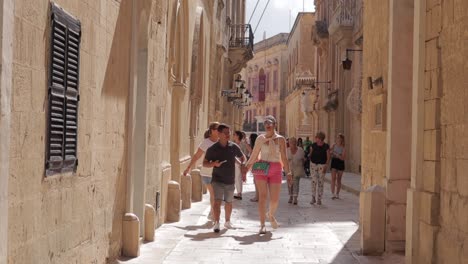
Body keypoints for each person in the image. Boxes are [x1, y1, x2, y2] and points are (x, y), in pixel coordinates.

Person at [243, 116, 291, 234]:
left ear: (275, 124)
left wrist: (288, 172)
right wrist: (246, 170)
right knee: (263, 197)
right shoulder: (260, 138)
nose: (267, 125)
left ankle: (270, 214)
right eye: (265, 123)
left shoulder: (281, 139)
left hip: (275, 168)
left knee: (274, 199)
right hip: (262, 168)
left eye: (269, 123)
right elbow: (254, 155)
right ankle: (262, 224)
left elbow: (284, 157)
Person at [204, 124, 246, 233]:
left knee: (229, 202)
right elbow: (205, 163)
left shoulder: (233, 147)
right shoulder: (212, 149)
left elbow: (242, 157)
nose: (228, 135)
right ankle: (217, 223)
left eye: (229, 132)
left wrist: (243, 164)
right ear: (219, 134)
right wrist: (214, 164)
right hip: (217, 180)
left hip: (230, 180)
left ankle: (227, 222)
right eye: (226, 133)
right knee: (217, 202)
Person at [183, 122, 219, 220]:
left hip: (219, 173)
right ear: (211, 131)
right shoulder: (206, 142)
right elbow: (197, 156)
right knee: (214, 193)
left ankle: (212, 212)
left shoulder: (222, 141)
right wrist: (188, 168)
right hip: (207, 172)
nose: (219, 130)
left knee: (216, 194)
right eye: (217, 128)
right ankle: (213, 212)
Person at [309, 131, 330, 206]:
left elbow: (328, 157)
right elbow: (310, 154)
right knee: (314, 181)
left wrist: (326, 166)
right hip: (313, 164)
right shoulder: (313, 145)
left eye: (317, 138)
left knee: (321, 182)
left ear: (321, 139)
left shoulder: (326, 146)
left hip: (322, 165)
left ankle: (319, 198)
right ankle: (313, 197)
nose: (316, 139)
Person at [286, 137, 306, 205]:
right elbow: (284, 160)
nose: (292, 144)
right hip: (289, 169)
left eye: (294, 142)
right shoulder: (287, 150)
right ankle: (290, 196)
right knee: (290, 184)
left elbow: (303, 159)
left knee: (296, 182)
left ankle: (295, 198)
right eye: (291, 142)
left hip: (297, 168)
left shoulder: (300, 150)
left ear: (296, 143)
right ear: (289, 143)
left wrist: (302, 165)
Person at [232, 131, 248, 200]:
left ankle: (239, 193)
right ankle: (233, 192)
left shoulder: (242, 144)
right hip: (234, 161)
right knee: (233, 177)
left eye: (234, 134)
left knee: (238, 177)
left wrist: (243, 163)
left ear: (238, 136)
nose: (233, 135)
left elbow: (244, 154)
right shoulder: (233, 144)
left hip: (240, 162)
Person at [330, 134, 346, 199]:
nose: (338, 139)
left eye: (339, 138)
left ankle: (337, 194)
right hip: (334, 162)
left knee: (339, 179)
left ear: (342, 139)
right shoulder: (334, 145)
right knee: (333, 178)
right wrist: (334, 154)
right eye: (337, 137)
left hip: (340, 163)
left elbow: (343, 158)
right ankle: (332, 193)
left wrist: (335, 154)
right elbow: (330, 152)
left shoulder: (343, 147)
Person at [249, 133, 259, 202]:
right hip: (258, 164)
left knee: (256, 181)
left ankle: (257, 196)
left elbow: (252, 153)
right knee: (257, 181)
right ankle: (258, 196)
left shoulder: (255, 146)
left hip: (257, 164)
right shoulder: (258, 145)